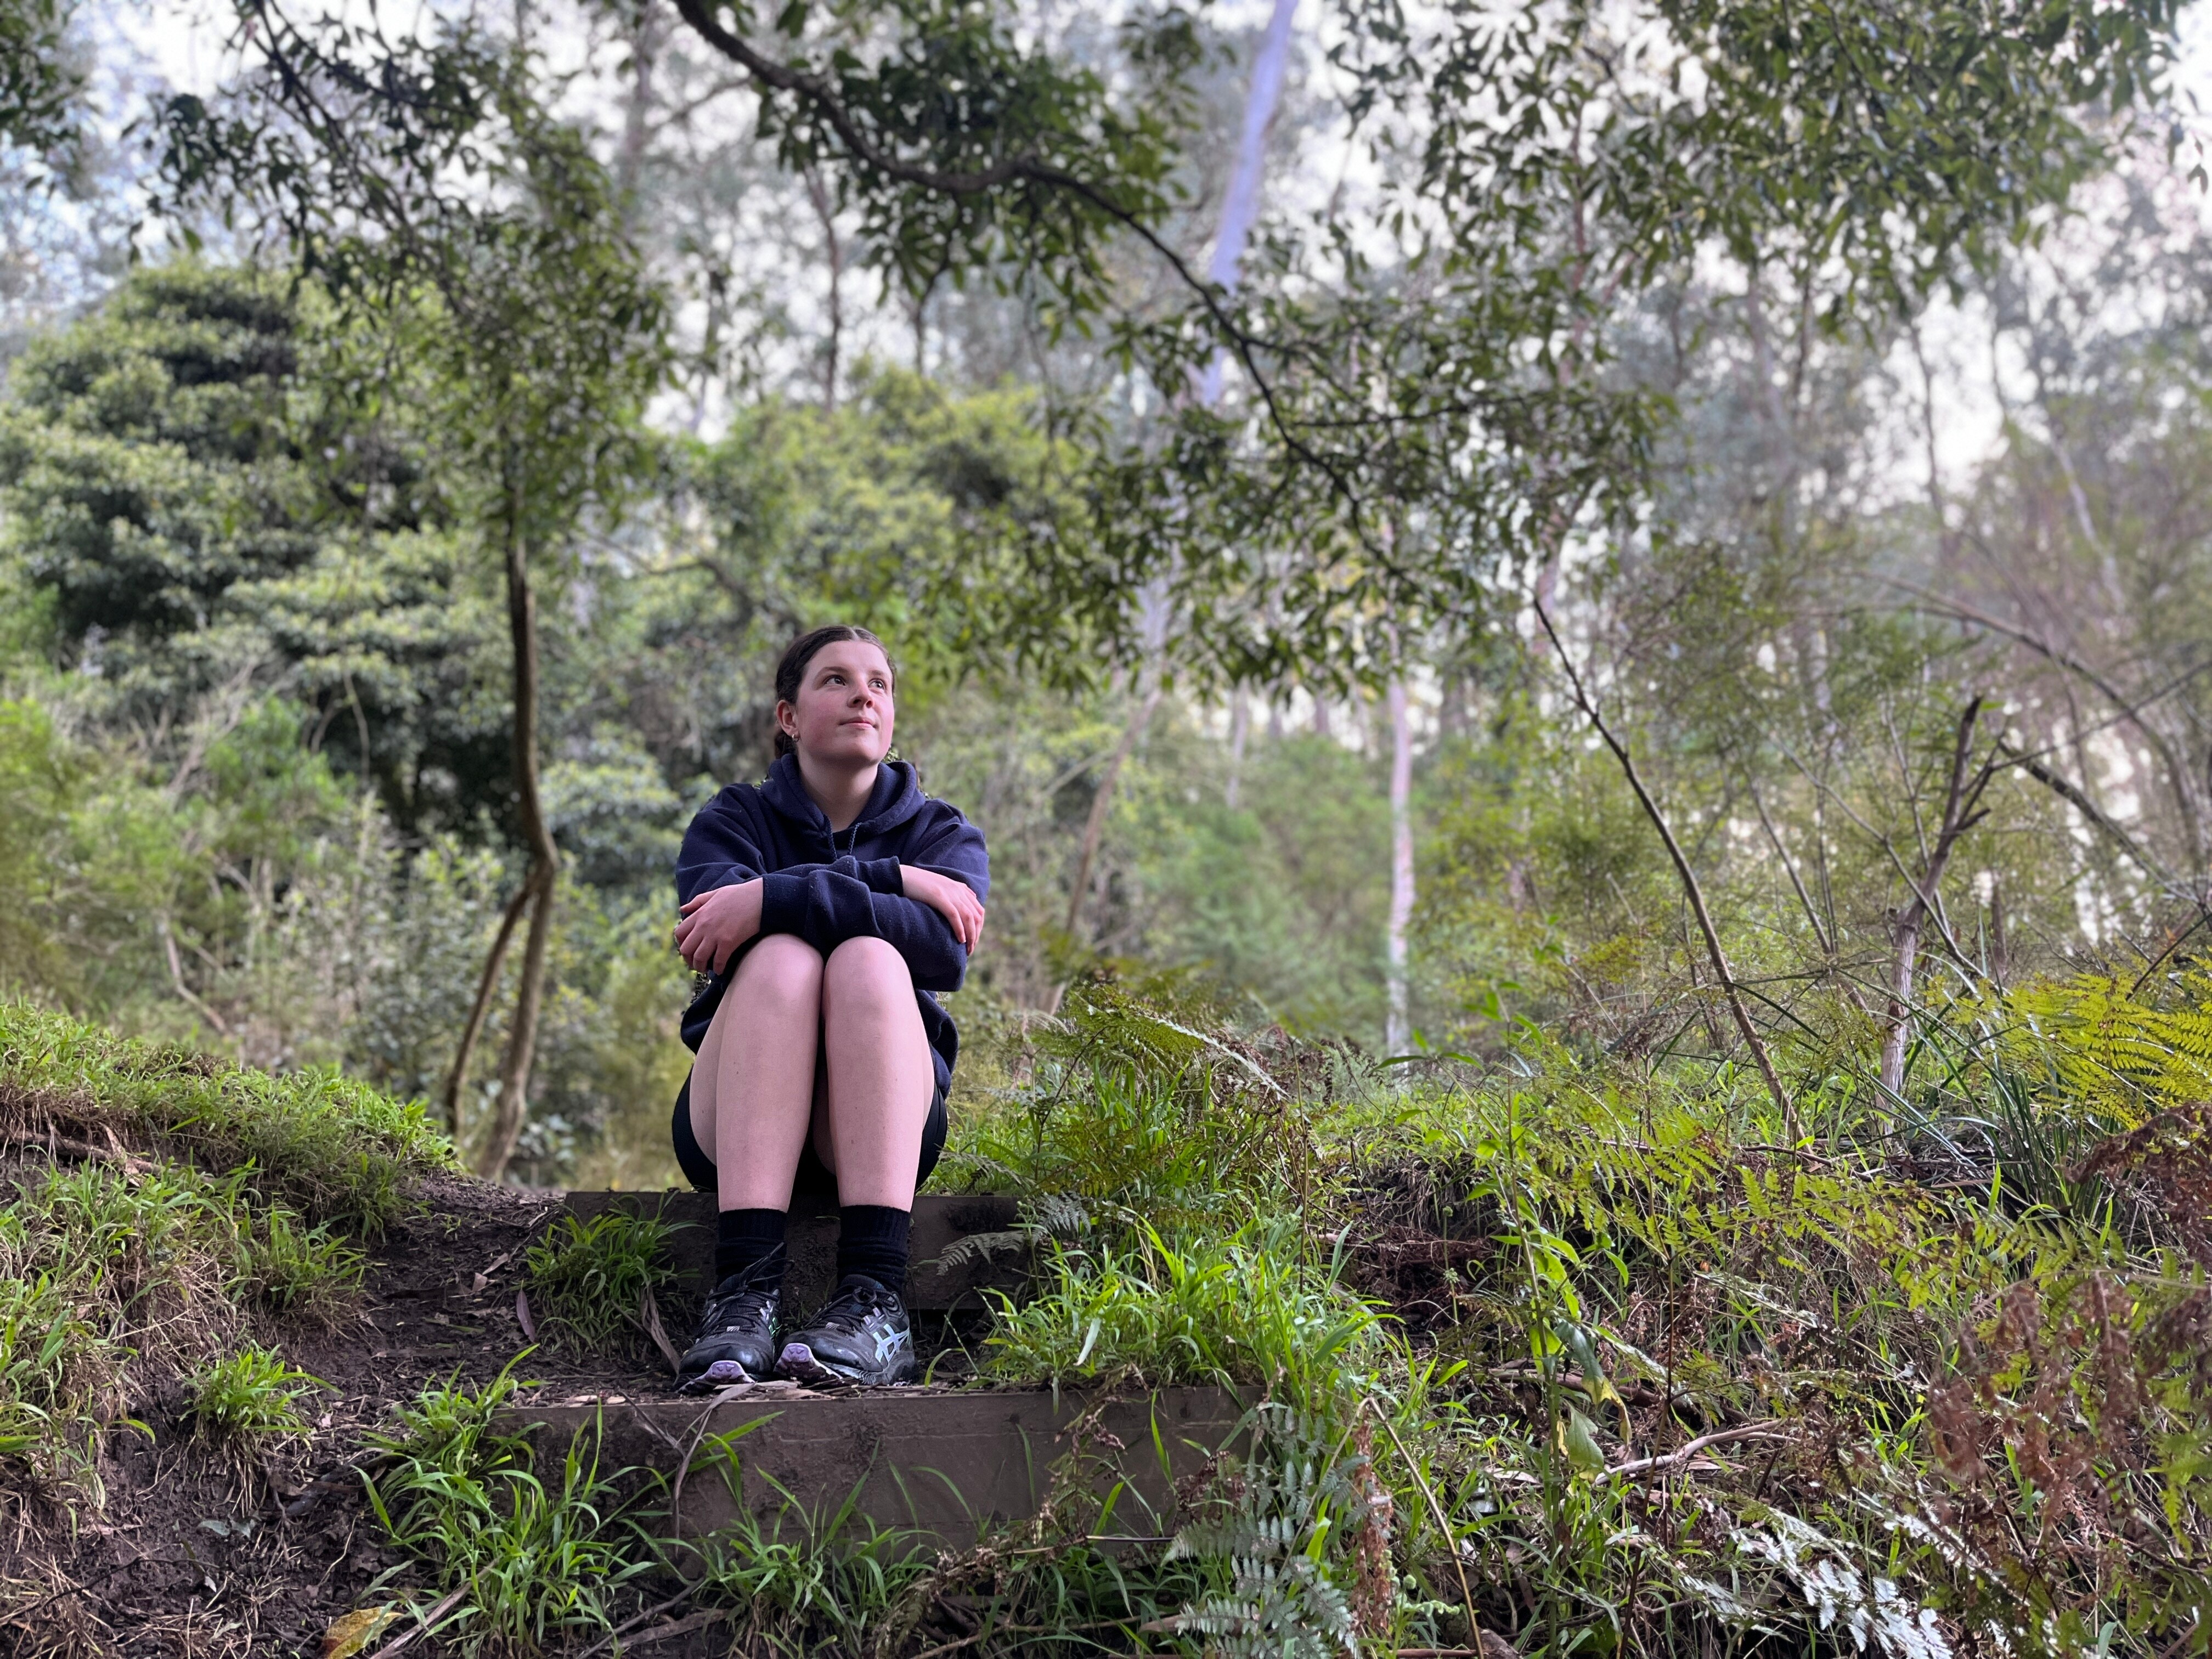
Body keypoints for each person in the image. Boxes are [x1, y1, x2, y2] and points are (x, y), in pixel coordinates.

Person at [668, 625, 989, 1390]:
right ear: (789, 717)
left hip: (880, 1133)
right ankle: (742, 1298)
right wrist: (899, 884)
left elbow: (944, 953)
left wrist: (773, 896)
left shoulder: (941, 832)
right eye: (836, 680)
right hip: (736, 1125)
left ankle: (875, 1301)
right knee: (781, 959)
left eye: (878, 683)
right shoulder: (734, 820)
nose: (863, 696)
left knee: (869, 959)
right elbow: (710, 938)